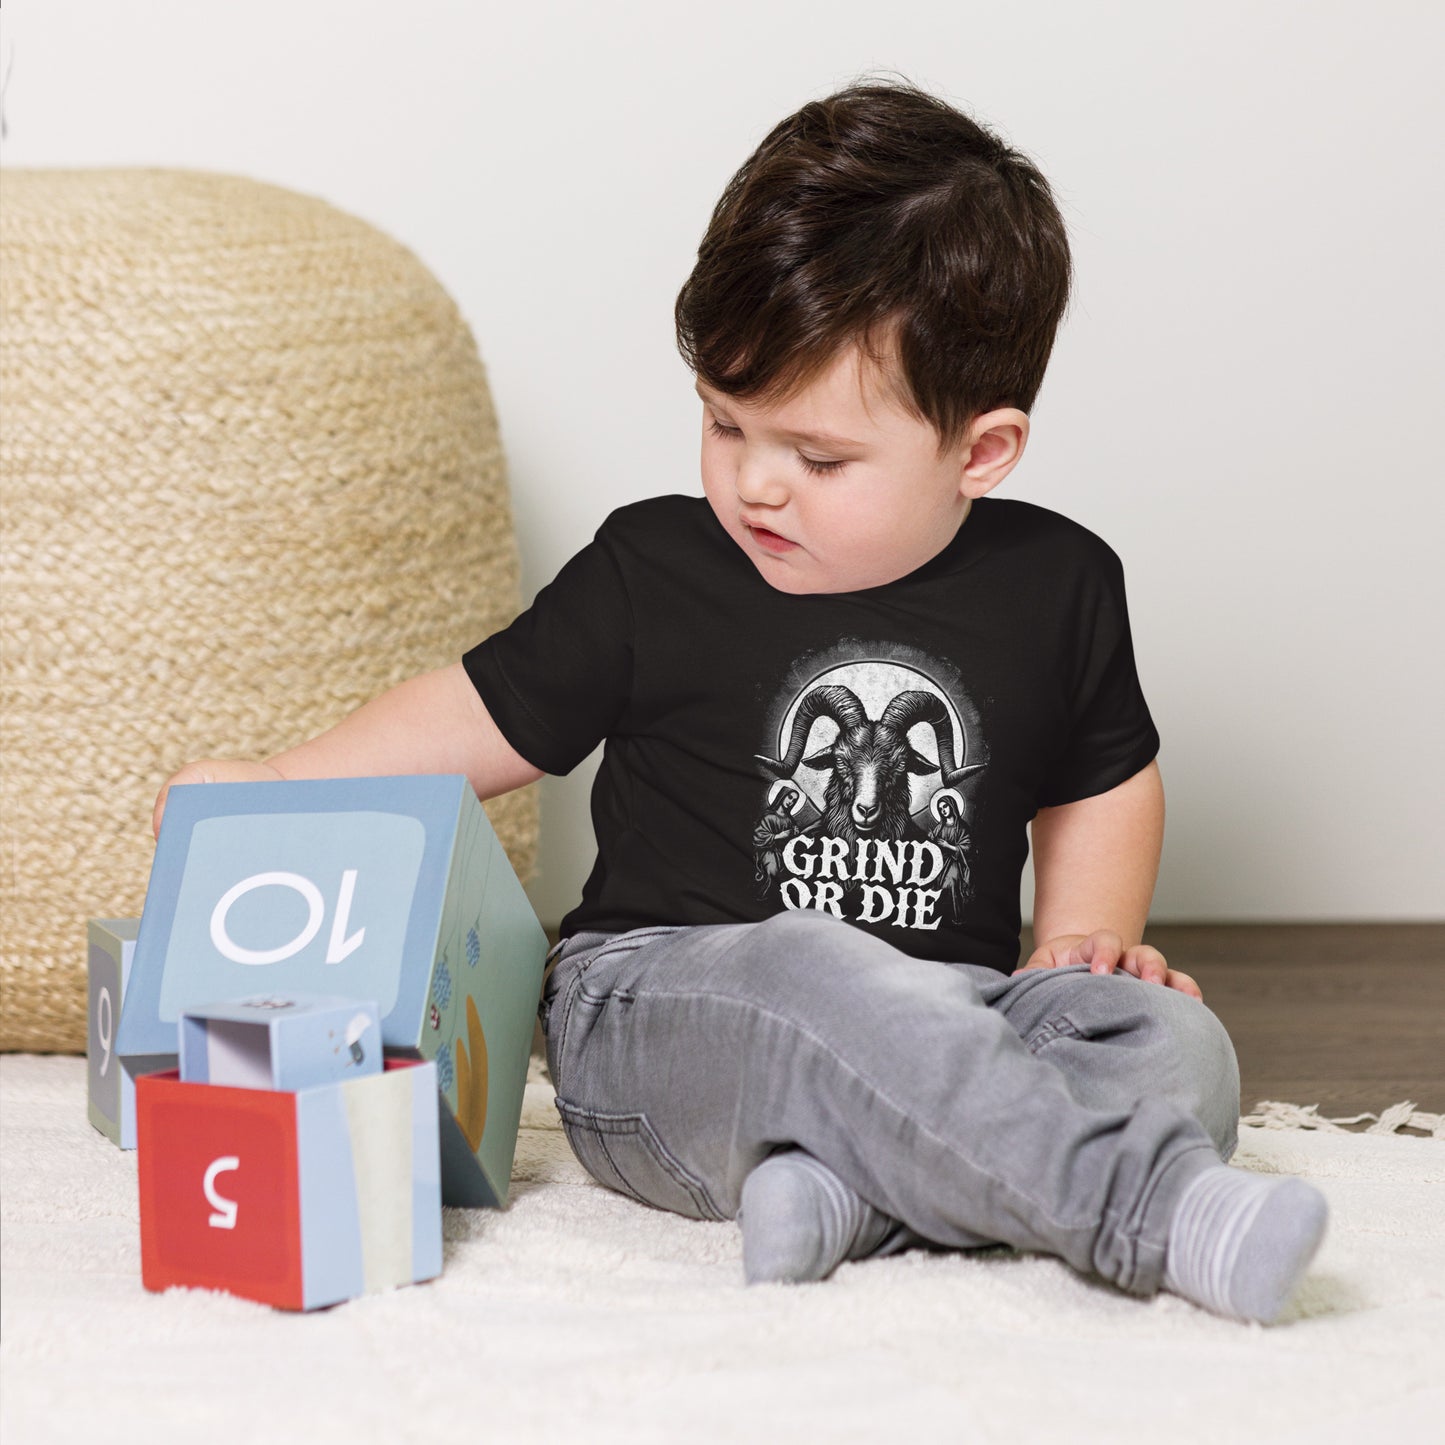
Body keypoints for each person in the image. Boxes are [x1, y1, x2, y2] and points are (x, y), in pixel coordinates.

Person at [155, 78, 1328, 1323]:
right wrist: (280, 786)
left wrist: (1073, 947)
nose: (754, 483)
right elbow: (473, 716)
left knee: (1174, 1044)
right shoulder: (649, 570)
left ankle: (853, 1198)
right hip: (666, 1010)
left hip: (958, 1012)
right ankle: (1132, 1207)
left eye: (816, 457)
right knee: (812, 969)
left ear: (978, 452)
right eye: (724, 422)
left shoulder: (1059, 584)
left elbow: (1099, 774)